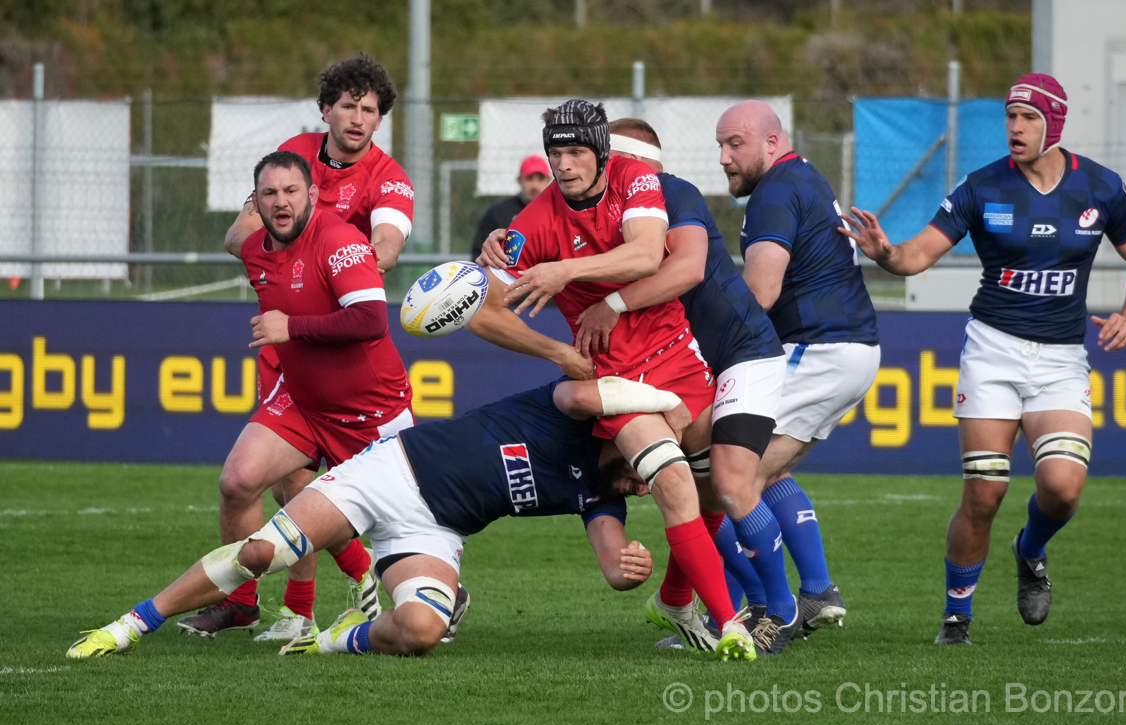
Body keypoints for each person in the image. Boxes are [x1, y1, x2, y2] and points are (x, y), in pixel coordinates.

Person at [838, 74, 1126, 645]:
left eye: (1029, 118)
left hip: (1061, 359)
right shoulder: (981, 187)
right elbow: (916, 256)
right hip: (992, 351)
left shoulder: (1102, 188)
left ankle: (1029, 550)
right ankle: (956, 617)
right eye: (1011, 116)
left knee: (1062, 489)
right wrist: (885, 252)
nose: (1015, 127)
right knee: (985, 491)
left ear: (1054, 123)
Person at [66, 378, 696, 659]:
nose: (646, 484)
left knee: (422, 631)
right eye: (649, 464)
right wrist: (675, 403)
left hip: (434, 533)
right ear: (628, 431)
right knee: (262, 552)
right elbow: (582, 393)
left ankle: (337, 637)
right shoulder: (570, 412)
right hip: (389, 473)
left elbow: (614, 568)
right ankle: (130, 625)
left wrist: (630, 569)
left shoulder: (602, 494)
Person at [467, 99, 756, 660]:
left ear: (601, 152)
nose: (564, 165)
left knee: (714, 485)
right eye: (556, 153)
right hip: (617, 375)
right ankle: (731, 625)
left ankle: (676, 601)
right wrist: (547, 340)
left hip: (678, 355)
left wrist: (565, 270)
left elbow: (648, 254)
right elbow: (482, 307)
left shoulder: (634, 178)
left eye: (575, 152)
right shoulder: (536, 222)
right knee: (673, 483)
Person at [564, 118, 798, 655]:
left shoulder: (671, 191)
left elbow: (689, 268)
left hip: (744, 353)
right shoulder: (603, 210)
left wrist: (612, 302)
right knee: (704, 490)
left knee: (732, 484)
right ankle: (677, 600)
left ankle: (780, 615)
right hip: (694, 361)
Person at [217, 54, 415, 641]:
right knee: (270, 483)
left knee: (316, 492)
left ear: (380, 119)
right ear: (326, 109)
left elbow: (385, 246)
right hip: (285, 349)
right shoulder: (295, 153)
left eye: (370, 109)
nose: (358, 118)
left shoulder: (389, 178)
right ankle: (269, 605)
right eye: (348, 105)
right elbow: (238, 237)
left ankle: (316, 602)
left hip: (343, 348)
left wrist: (337, 255)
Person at [716, 100, 881, 637]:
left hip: (818, 348)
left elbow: (761, 292)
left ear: (771, 141)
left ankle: (758, 611)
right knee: (765, 472)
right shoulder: (802, 175)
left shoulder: (775, 191)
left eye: (735, 143)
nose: (724, 157)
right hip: (843, 348)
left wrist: (700, 338)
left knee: (722, 480)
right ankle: (816, 590)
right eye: (720, 145)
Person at [471, 155, 552, 255]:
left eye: (540, 179)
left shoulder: (557, 212)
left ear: (549, 180)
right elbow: (479, 251)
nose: (534, 185)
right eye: (529, 179)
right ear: (519, 180)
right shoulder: (499, 213)